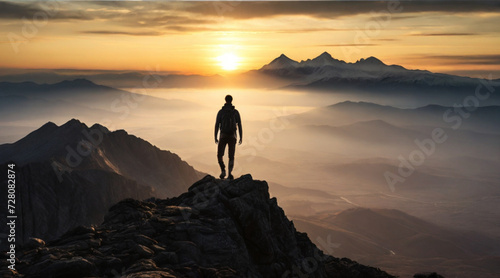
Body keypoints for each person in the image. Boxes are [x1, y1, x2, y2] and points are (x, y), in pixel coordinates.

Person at [214, 95, 242, 180]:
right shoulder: (235, 112)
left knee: (219, 155)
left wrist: (215, 136)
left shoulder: (221, 112)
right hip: (232, 136)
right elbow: (239, 125)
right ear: (231, 100)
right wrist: (241, 137)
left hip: (223, 135)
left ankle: (223, 170)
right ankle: (230, 173)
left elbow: (217, 125)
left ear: (225, 100)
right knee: (231, 156)